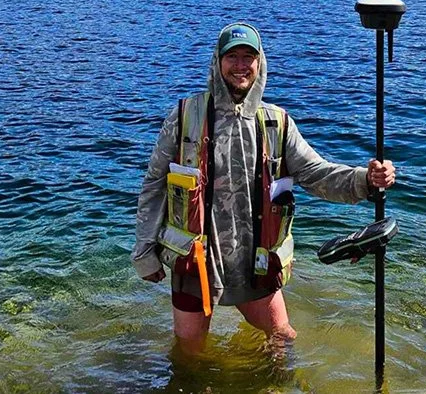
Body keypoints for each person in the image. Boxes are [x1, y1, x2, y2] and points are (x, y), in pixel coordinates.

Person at [132, 22, 395, 351]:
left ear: (260, 63)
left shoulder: (277, 123)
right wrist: (145, 254)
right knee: (189, 357)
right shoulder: (185, 116)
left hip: (255, 264)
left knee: (282, 340)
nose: (240, 65)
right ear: (218, 61)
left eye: (248, 57)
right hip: (195, 263)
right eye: (232, 56)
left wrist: (365, 179)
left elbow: (317, 174)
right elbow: (154, 185)